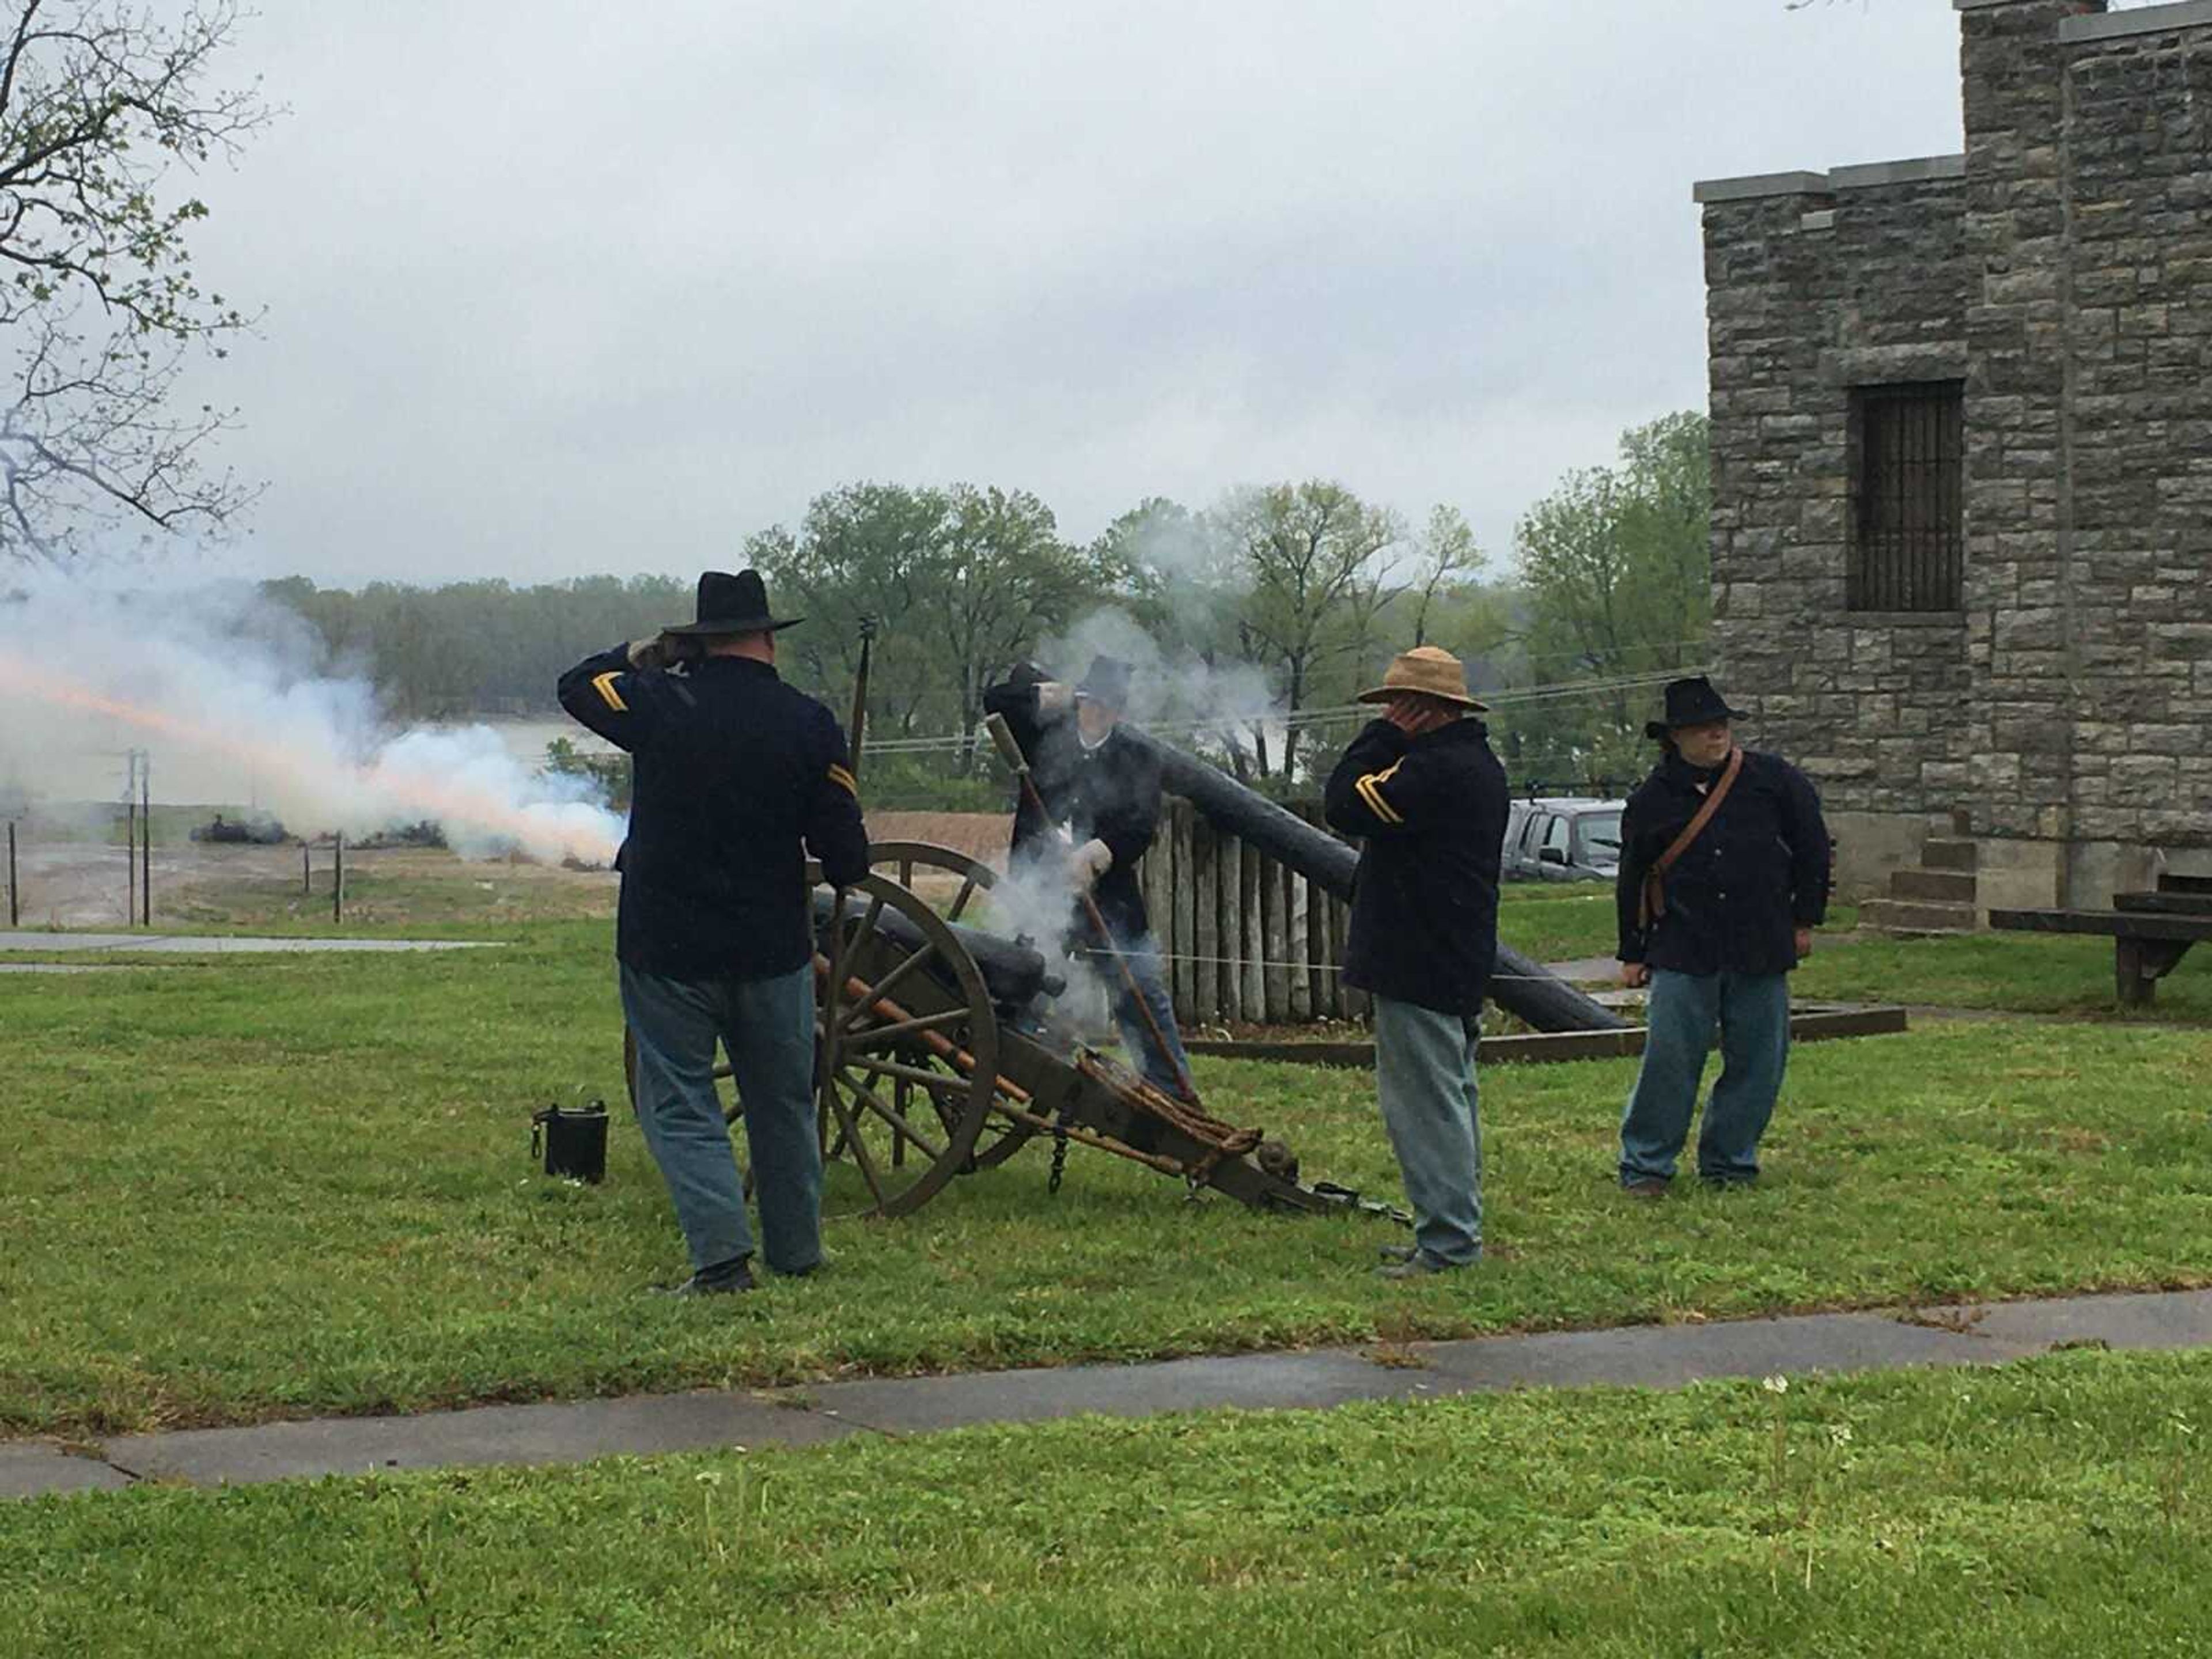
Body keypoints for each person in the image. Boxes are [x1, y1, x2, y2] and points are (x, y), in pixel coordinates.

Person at [558, 569, 869, 1294]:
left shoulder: (659, 700)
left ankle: (724, 1263)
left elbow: (577, 685)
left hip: (668, 945)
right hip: (771, 948)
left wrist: (642, 653)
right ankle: (796, 1252)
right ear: (767, 639)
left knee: (682, 1103)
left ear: (699, 641)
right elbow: (848, 859)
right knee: (783, 1102)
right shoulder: (810, 722)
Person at [1322, 646, 1507, 1279]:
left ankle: (1450, 1243)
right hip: (1447, 952)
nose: (1389, 715)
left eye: (1397, 707)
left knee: (1427, 1107)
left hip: (1419, 955)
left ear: (1422, 711)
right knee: (1449, 1098)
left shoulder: (1435, 770)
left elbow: (1342, 802)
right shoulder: (1469, 762)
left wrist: (1378, 738)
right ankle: (1449, 1229)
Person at [1614, 675, 1831, 1195]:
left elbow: (1813, 850)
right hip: (1684, 946)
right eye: (1701, 729)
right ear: (1675, 738)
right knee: (1669, 1064)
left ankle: (1730, 1163)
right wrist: (1632, 951)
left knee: (1758, 1063)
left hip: (1761, 941)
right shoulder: (1651, 798)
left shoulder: (1774, 780)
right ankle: (1646, 1166)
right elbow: (1634, 876)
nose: (1715, 736)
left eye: (1721, 726)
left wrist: (1805, 919)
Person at [981, 655, 1193, 1099]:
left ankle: (1171, 1087)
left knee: (1140, 987)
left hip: (1108, 896)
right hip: (1040, 891)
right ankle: (1003, 1073)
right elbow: (994, 700)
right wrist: (1047, 692)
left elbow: (1141, 826)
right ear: (1078, 702)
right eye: (1088, 702)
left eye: (1106, 706)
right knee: (1023, 979)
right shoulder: (1044, 735)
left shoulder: (1137, 757)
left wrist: (1099, 855)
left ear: (1119, 712)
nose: (1095, 713)